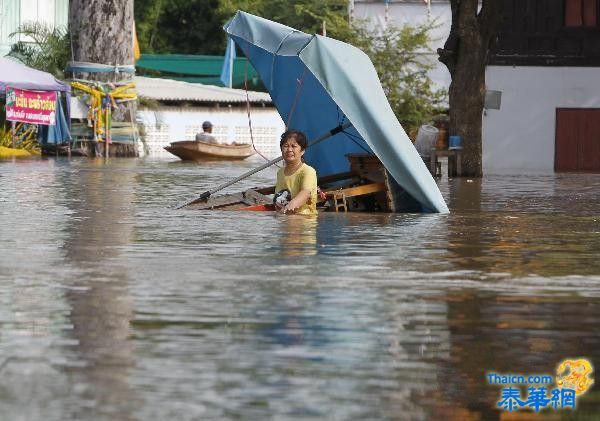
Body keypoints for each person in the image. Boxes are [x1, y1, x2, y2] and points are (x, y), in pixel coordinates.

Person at [274, 130, 318, 215]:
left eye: (294, 146)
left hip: (303, 219)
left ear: (302, 151)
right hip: (283, 218)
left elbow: (305, 193)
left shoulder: (308, 171)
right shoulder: (280, 172)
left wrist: (289, 207)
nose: (289, 150)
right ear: (281, 149)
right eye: (286, 146)